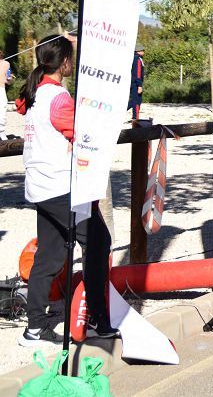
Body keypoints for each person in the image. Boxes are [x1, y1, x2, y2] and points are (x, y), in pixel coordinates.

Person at [16, 35, 118, 347]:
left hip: (40, 186)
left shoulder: (33, 95)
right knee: (99, 242)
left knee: (50, 256)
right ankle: (99, 319)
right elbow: (81, 134)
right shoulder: (58, 98)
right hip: (62, 187)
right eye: (71, 58)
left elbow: (24, 109)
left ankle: (34, 328)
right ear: (64, 63)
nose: (72, 64)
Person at [128, 46, 145, 120]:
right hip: (135, 83)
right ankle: (135, 117)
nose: (143, 52)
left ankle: (135, 117)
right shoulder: (138, 59)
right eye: (142, 50)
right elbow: (138, 73)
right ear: (138, 51)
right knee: (136, 101)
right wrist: (139, 85)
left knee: (133, 100)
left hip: (133, 82)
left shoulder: (133, 58)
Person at [0, 48, 12, 141]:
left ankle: (1, 132)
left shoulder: (6, 64)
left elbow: (9, 82)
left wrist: (9, 78)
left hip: (1, 89)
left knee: (2, 111)